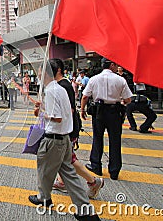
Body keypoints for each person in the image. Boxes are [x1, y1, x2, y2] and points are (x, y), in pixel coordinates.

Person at [29, 60, 99, 220]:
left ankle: (44, 198)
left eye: (39, 71)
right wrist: (44, 109)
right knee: (69, 175)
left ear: (45, 73)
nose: (38, 74)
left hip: (53, 139)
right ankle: (85, 211)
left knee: (44, 170)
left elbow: (57, 118)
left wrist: (42, 113)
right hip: (64, 139)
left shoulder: (52, 90)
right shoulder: (59, 89)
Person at [80, 58, 132, 180]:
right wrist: (121, 102)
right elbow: (128, 99)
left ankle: (96, 166)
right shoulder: (120, 80)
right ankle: (114, 171)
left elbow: (85, 97)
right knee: (115, 140)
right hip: (114, 112)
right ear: (112, 65)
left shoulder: (94, 79)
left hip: (99, 112)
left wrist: (82, 110)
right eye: (116, 65)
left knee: (97, 138)